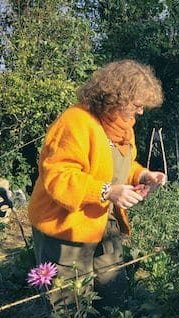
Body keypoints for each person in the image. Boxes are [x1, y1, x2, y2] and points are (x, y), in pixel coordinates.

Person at [27, 59, 166, 314]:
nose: (141, 112)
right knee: (69, 303)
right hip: (66, 230)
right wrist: (108, 192)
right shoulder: (76, 121)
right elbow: (58, 176)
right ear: (116, 98)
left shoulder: (122, 127)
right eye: (137, 105)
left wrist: (143, 175)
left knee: (112, 293)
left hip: (104, 225)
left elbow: (120, 165)